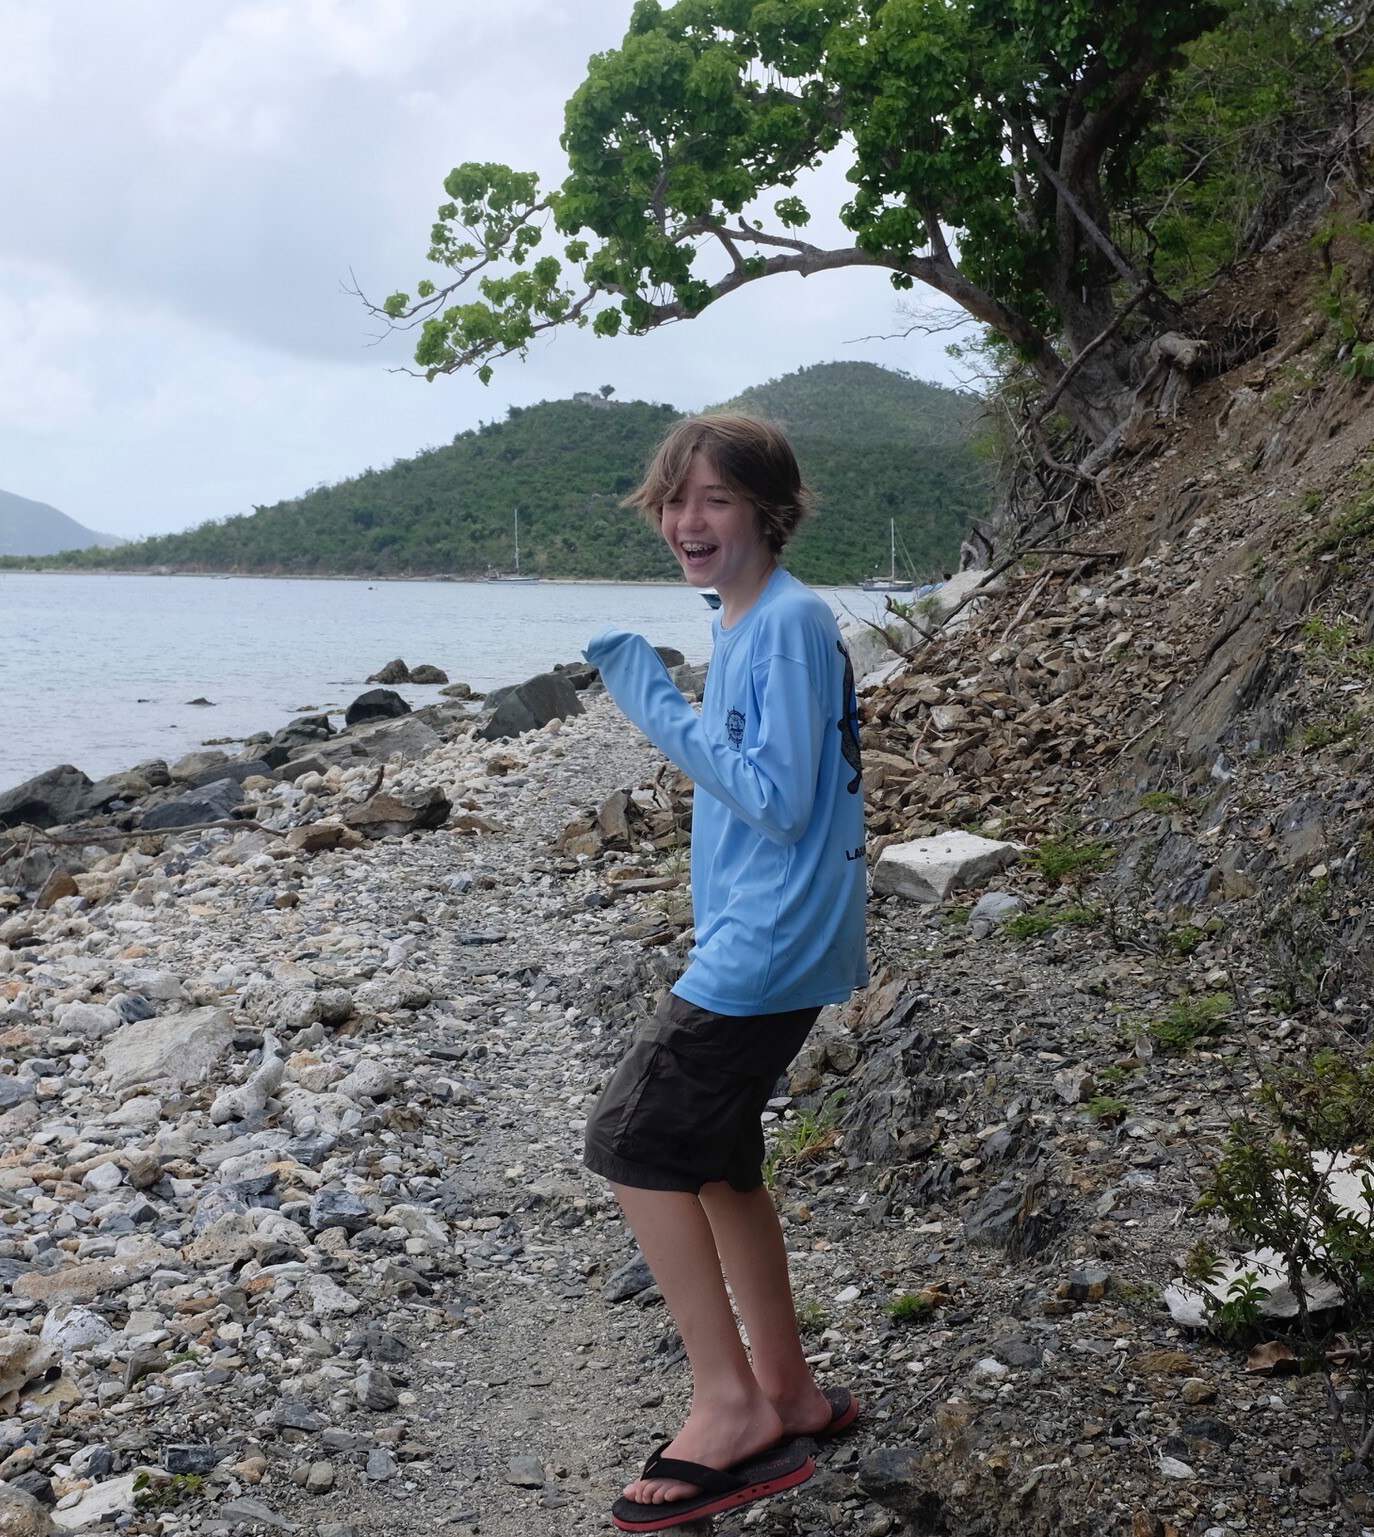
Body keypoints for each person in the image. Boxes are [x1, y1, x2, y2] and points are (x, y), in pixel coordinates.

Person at [580, 413, 869, 1533]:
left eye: (712, 500)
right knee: (717, 1160)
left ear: (767, 510)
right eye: (672, 500)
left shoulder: (786, 624)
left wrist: (654, 702)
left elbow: (779, 797)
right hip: (772, 931)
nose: (685, 522)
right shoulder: (755, 619)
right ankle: (786, 1388)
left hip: (771, 940)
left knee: (636, 1140)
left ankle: (729, 1406)